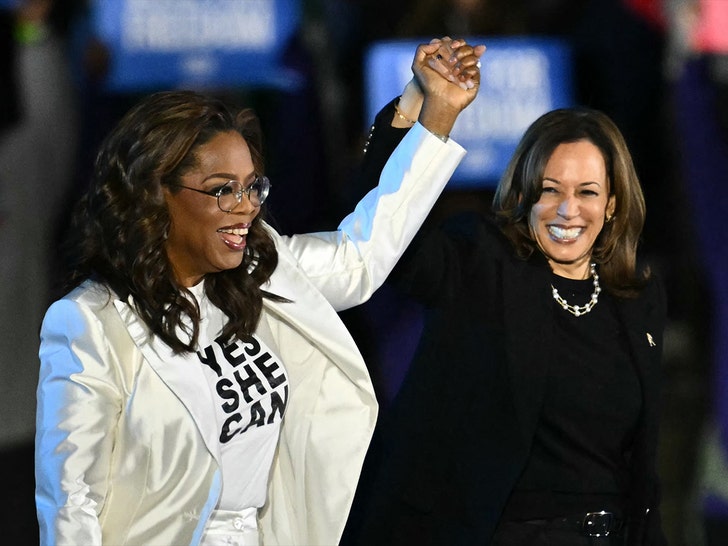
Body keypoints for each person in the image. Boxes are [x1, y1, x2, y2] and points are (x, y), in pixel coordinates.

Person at [33, 39, 483, 546]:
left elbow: (360, 258)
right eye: (223, 188)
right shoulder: (89, 321)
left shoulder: (258, 268)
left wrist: (435, 117)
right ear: (158, 193)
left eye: (252, 187)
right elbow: (73, 501)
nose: (245, 207)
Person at [348, 83, 667, 545]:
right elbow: (386, 234)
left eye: (588, 192)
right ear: (524, 193)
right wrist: (419, 104)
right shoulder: (480, 263)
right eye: (550, 189)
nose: (568, 209)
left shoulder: (638, 298)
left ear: (612, 204)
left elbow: (641, 470)